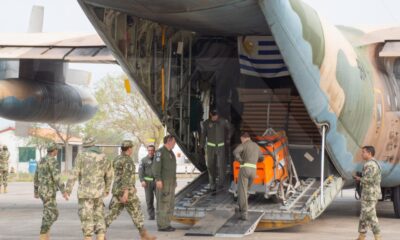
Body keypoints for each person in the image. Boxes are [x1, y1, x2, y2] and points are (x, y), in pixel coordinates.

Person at [105, 140, 156, 240]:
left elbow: (119, 176)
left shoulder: (117, 159)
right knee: (136, 212)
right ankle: (144, 235)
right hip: (126, 192)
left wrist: (131, 187)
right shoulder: (127, 160)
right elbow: (126, 177)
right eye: (131, 148)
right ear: (129, 149)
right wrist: (126, 192)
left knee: (112, 213)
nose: (132, 149)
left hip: (117, 190)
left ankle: (101, 235)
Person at [64, 137, 113, 240]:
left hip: (85, 193)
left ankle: (88, 237)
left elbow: (74, 173)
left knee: (86, 216)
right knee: (99, 215)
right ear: (94, 145)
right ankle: (100, 237)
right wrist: (107, 189)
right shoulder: (104, 157)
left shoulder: (81, 156)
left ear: (85, 146)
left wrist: (68, 190)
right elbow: (109, 175)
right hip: (99, 193)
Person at [34, 142, 66, 240]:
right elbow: (56, 177)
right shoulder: (52, 161)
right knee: (54, 213)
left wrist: (35, 190)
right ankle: (43, 235)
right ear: (54, 151)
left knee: (47, 213)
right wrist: (63, 190)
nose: (57, 151)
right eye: (57, 149)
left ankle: (45, 236)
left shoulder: (41, 160)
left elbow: (36, 176)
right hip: (48, 192)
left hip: (42, 191)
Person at [233, 132, 263, 220]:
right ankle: (239, 208)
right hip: (253, 171)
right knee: (245, 191)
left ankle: (244, 213)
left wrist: (240, 160)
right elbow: (262, 158)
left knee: (242, 191)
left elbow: (235, 152)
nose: (241, 141)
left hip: (245, 169)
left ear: (243, 138)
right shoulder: (256, 146)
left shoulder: (244, 144)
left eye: (241, 139)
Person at [353, 146, 382, 240]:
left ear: (369, 153)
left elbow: (368, 179)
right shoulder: (373, 163)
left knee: (371, 216)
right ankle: (361, 236)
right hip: (369, 194)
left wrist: (359, 178)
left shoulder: (370, 165)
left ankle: (378, 237)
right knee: (363, 216)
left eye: (363, 152)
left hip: (370, 195)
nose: (362, 154)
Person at [200, 108, 231, 192]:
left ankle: (221, 184)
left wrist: (228, 138)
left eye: (216, 115)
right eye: (213, 116)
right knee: (211, 166)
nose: (215, 117)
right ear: (210, 114)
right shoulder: (206, 123)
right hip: (210, 148)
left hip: (221, 147)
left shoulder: (223, 121)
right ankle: (212, 185)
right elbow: (203, 136)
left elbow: (230, 129)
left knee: (221, 166)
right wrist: (201, 146)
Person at [152, 135, 177, 232]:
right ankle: (162, 225)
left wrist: (174, 180)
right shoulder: (160, 152)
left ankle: (167, 223)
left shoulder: (171, 153)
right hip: (163, 182)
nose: (175, 144)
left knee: (170, 204)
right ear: (169, 141)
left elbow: (172, 169)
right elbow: (156, 167)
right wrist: (158, 179)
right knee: (163, 203)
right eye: (174, 142)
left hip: (170, 182)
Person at [139, 145, 157, 220]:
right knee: (149, 199)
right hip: (148, 182)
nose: (150, 152)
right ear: (147, 151)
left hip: (157, 182)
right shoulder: (143, 160)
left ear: (154, 151)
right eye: (149, 150)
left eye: (152, 150)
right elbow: (140, 171)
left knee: (159, 199)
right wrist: (142, 180)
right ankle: (151, 215)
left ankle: (160, 215)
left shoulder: (158, 160)